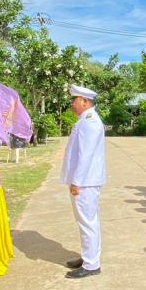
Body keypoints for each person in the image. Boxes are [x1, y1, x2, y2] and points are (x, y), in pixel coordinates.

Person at [61, 84, 107, 279]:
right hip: (86, 179)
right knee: (86, 221)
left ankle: (91, 264)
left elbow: (85, 155)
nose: (72, 104)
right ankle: (88, 256)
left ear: (84, 101)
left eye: (75, 100)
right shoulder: (86, 120)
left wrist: (77, 181)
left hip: (86, 181)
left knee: (87, 222)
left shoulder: (90, 122)